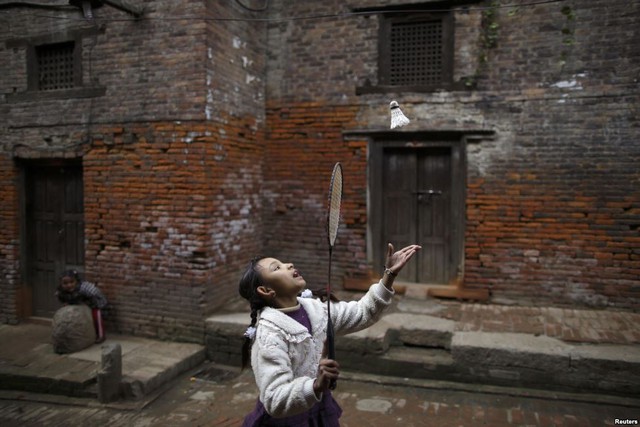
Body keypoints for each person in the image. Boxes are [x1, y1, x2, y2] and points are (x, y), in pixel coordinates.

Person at [238, 242, 421, 426]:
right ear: (267, 290)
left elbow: (363, 312)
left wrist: (389, 275)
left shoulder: (317, 310)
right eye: (277, 268)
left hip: (318, 406)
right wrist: (315, 385)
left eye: (284, 263)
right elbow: (274, 399)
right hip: (285, 420)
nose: (289, 264)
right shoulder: (269, 334)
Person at [56, 270, 108, 344]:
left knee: (96, 315)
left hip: (94, 304)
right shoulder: (61, 292)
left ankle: (101, 335)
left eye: (72, 282)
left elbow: (97, 296)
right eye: (65, 283)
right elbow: (61, 299)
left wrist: (91, 305)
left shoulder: (85, 288)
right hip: (77, 305)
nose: (69, 285)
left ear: (76, 281)